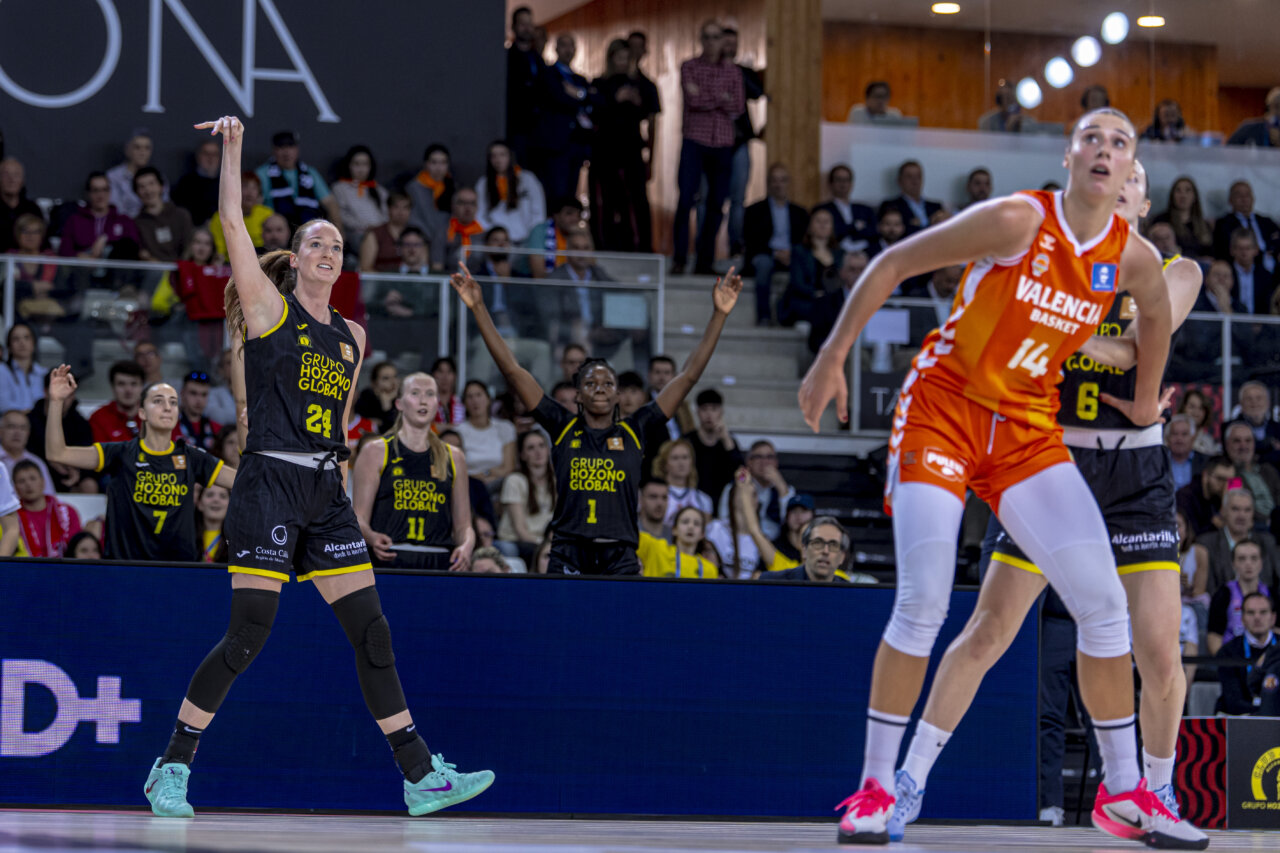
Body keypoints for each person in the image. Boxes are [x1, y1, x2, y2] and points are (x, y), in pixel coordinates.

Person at [799, 109, 1184, 845]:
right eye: (1092, 139)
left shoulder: (1131, 257)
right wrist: (831, 356)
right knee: (925, 602)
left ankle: (1126, 791)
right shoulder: (1016, 219)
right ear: (1069, 157)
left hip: (1026, 428)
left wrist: (1142, 400)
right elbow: (893, 263)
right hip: (944, 407)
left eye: (1120, 142)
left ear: (1133, 167)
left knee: (1105, 607)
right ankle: (876, 788)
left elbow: (1156, 322)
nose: (1105, 151)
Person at [142, 116, 492, 820]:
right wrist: (235, 149)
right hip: (268, 482)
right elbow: (232, 223)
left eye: (335, 244)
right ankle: (172, 764)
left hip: (322, 487)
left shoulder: (353, 336)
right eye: (316, 243)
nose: (329, 250)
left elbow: (329, 419)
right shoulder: (269, 307)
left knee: (372, 629)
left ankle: (419, 774)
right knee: (249, 632)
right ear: (295, 257)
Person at [455, 258, 739, 575]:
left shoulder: (637, 428)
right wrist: (478, 307)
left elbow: (687, 376)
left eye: (607, 383)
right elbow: (512, 368)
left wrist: (719, 314)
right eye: (590, 383)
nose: (600, 388)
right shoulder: (561, 424)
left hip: (620, 554)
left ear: (617, 395)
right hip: (568, 551)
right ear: (578, 395)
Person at [46, 366, 233, 562]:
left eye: (173, 402)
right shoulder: (120, 453)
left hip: (178, 571)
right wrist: (57, 401)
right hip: (127, 569)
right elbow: (57, 453)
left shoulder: (192, 457)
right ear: (142, 412)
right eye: (158, 401)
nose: (167, 407)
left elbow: (242, 481)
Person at [353, 372, 474, 572]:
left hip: (439, 561)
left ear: (436, 403)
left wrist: (467, 545)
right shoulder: (375, 451)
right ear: (399, 403)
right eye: (415, 393)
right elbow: (358, 519)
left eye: (429, 394)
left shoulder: (454, 457)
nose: (423, 400)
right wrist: (372, 537)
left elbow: (464, 526)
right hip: (389, 559)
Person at [671, 19, 744, 276]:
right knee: (685, 200)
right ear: (701, 40)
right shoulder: (689, 66)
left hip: (723, 143)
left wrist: (707, 96)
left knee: (716, 205)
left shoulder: (734, 72)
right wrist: (720, 98)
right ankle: (679, 258)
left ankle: (704, 261)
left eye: (717, 37)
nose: (712, 42)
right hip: (694, 141)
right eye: (708, 37)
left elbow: (737, 108)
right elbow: (693, 99)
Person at [589, 39, 655, 253]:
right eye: (619, 58)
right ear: (611, 58)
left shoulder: (641, 85)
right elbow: (594, 113)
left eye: (627, 59)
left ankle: (642, 246)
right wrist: (615, 99)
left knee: (638, 198)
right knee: (609, 199)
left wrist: (636, 102)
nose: (623, 63)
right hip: (606, 150)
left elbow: (649, 115)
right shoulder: (599, 84)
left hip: (631, 148)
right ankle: (608, 245)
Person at [531, 33, 593, 203]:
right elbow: (558, 98)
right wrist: (582, 97)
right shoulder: (548, 74)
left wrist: (579, 94)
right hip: (555, 146)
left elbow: (594, 101)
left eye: (571, 46)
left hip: (576, 144)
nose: (568, 50)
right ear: (556, 49)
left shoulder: (579, 79)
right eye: (564, 45)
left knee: (570, 196)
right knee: (555, 195)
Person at [745, 163, 809, 326]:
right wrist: (776, 253)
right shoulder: (755, 210)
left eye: (782, 180)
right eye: (774, 180)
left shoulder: (800, 213)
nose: (778, 184)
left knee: (804, 264)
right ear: (768, 183)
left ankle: (792, 315)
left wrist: (791, 253)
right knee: (764, 264)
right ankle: (764, 316)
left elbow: (805, 240)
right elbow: (751, 241)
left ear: (788, 183)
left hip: (792, 255)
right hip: (765, 254)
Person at [1195, 487, 1280, 596]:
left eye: (1247, 510)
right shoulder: (1206, 544)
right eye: (1235, 509)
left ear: (1253, 513)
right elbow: (1208, 591)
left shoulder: (1268, 542)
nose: (1241, 515)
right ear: (1224, 512)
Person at [255, 130, 342, 231]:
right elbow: (254, 205)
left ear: (297, 149)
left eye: (290, 146)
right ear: (274, 150)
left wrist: (338, 231)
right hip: (276, 232)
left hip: (308, 230)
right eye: (281, 147)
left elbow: (330, 202)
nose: (286, 152)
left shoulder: (309, 173)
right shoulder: (262, 173)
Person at [716, 440, 793, 541]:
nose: (764, 462)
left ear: (776, 462)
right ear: (749, 462)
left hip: (777, 546)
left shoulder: (786, 490)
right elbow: (723, 520)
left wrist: (782, 488)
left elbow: (792, 525)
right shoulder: (733, 488)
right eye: (758, 457)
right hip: (742, 542)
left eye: (769, 457)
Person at [1215, 592, 1278, 714]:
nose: (1257, 617)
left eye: (1263, 612)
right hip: (1242, 718)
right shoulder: (1228, 651)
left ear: (1273, 618)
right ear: (1242, 618)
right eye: (1251, 612)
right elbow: (1233, 701)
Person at [779, 208, 843, 327]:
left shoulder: (840, 254)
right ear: (810, 225)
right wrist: (818, 294)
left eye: (826, 222)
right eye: (818, 221)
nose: (823, 225)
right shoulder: (799, 252)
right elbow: (798, 283)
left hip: (833, 303)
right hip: (807, 301)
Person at [497, 429, 555, 562]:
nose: (538, 452)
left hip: (545, 543)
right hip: (517, 541)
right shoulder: (515, 480)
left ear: (548, 450)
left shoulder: (557, 482)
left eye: (542, 445)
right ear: (522, 455)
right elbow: (520, 530)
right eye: (531, 448)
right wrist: (543, 545)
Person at [1207, 539, 1273, 654]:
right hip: (1233, 660)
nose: (1248, 564)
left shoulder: (1272, 594)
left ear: (1261, 563)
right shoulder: (1223, 594)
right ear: (1233, 564)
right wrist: (1225, 664)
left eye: (1254, 558)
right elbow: (1214, 637)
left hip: (1267, 661)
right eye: (1242, 559)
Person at [59, 172, 141, 261]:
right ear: (88, 193)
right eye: (95, 190)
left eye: (104, 189)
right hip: (83, 268)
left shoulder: (124, 220)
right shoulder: (75, 220)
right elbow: (64, 251)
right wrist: (80, 256)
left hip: (115, 270)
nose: (100, 195)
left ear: (110, 192)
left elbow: (134, 246)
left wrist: (106, 238)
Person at [475, 141, 543, 245]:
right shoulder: (483, 183)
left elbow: (538, 211)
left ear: (510, 156)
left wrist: (532, 236)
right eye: (493, 156)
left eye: (502, 154)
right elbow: (479, 214)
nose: (498, 160)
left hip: (526, 240)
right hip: (497, 243)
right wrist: (494, 236)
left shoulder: (528, 179)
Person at [11, 459, 81, 557]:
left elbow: (77, 548)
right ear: (15, 488)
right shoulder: (10, 517)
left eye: (33, 478)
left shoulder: (68, 512)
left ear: (43, 482)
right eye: (21, 481)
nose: (28, 484)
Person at [684, 388, 743, 502]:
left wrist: (726, 440)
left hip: (723, 502)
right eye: (704, 409)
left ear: (721, 412)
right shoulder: (688, 440)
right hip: (693, 501)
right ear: (697, 412)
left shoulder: (729, 441)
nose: (709, 415)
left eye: (714, 409)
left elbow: (741, 475)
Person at [455, 380, 516, 486]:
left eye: (479, 395)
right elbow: (457, 470)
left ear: (488, 399)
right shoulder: (459, 431)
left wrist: (487, 473)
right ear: (464, 403)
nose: (475, 401)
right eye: (470, 397)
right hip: (468, 485)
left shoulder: (505, 427)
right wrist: (478, 478)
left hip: (500, 484)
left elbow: (508, 467)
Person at [331, 145, 388, 252]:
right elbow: (341, 215)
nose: (361, 169)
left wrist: (379, 230)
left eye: (365, 164)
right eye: (356, 164)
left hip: (381, 234)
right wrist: (366, 227)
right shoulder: (339, 188)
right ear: (349, 165)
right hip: (356, 234)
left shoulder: (379, 190)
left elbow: (387, 215)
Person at [1211, 181, 1279, 271]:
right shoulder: (1223, 223)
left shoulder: (1266, 222)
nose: (1244, 199)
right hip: (1239, 269)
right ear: (1230, 200)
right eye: (1238, 195)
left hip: (1272, 267)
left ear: (1253, 198)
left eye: (1247, 195)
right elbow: (1223, 250)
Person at [637, 504, 718, 578]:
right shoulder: (656, 549)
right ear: (674, 529)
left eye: (696, 524)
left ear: (702, 534)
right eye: (685, 522)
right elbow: (630, 532)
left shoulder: (709, 569)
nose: (690, 527)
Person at [505, 6, 542, 167]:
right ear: (513, 27)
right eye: (522, 24)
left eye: (530, 24)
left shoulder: (538, 60)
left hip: (538, 131)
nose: (527, 28)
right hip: (515, 128)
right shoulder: (506, 58)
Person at [134, 167, 193, 262]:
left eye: (151, 184)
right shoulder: (136, 223)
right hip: (154, 274)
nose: (148, 190)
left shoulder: (182, 215)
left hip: (183, 272)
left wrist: (180, 270)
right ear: (136, 193)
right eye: (142, 186)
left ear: (161, 187)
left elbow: (189, 247)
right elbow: (143, 255)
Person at [1223, 421, 1280, 521]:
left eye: (1248, 440)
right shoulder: (1229, 473)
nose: (1243, 446)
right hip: (1253, 528)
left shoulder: (1268, 470)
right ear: (1227, 444)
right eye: (1237, 441)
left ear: (1254, 443)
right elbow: (1236, 505)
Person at [813, 165, 876, 252]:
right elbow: (832, 232)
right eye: (839, 180)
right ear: (830, 183)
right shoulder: (822, 209)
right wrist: (855, 226)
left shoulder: (865, 209)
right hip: (835, 252)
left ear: (851, 183)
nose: (843, 184)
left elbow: (873, 232)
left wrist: (845, 229)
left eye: (847, 180)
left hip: (865, 253)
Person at [651, 438, 713, 524]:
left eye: (685, 457)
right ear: (664, 464)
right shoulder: (653, 495)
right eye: (675, 458)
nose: (681, 463)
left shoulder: (703, 500)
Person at [1151, 177, 1213, 260]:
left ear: (1194, 196)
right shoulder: (1162, 221)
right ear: (1172, 196)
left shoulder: (1204, 225)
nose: (1183, 195)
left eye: (1188, 190)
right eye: (1178, 191)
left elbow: (1211, 254)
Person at [107, 130, 164, 218]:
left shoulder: (158, 177)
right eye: (137, 147)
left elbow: (164, 207)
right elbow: (115, 210)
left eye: (147, 148)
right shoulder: (113, 177)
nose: (142, 153)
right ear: (127, 150)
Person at [1177, 455, 1235, 537]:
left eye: (1230, 481)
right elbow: (1191, 536)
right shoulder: (1185, 497)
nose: (1225, 485)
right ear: (1205, 475)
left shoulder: (1219, 496)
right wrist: (1217, 520)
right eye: (1220, 479)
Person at [527, 196, 585, 278]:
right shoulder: (540, 231)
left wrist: (586, 235)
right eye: (569, 213)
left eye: (578, 215)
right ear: (556, 215)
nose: (575, 219)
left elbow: (590, 267)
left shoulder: (579, 235)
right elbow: (538, 274)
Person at [881, 161, 943, 236]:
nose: (915, 181)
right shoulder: (890, 205)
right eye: (909, 177)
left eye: (918, 177)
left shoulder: (936, 207)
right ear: (899, 181)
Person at [89, 361, 145, 443]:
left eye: (134, 384)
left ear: (142, 386)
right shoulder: (99, 418)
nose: (128, 390)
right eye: (121, 384)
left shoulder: (154, 416)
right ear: (112, 387)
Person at [0, 409, 53, 494]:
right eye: (11, 427)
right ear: (0, 431)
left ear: (28, 433)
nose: (17, 433)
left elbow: (48, 496)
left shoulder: (37, 462)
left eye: (23, 428)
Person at [172, 139, 222, 226]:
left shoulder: (226, 184)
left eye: (214, 154)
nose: (211, 158)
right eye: (206, 154)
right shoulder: (186, 183)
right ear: (198, 156)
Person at [0, 157, 44, 254]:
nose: (11, 180)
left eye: (16, 175)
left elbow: (44, 245)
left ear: (23, 180)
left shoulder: (33, 210)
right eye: (6, 174)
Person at [0, 321, 46, 413]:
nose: (22, 343)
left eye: (26, 338)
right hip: (10, 424)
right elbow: (4, 405)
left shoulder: (43, 373)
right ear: (9, 346)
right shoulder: (2, 370)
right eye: (16, 339)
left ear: (34, 343)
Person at [406, 144, 455, 222]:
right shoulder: (414, 188)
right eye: (434, 162)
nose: (438, 168)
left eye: (443, 162)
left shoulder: (452, 186)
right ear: (426, 164)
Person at [354, 362, 401, 434]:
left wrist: (387, 406)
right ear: (374, 383)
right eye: (386, 378)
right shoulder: (365, 399)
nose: (393, 382)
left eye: (395, 376)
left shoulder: (403, 401)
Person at [1179, 389, 1221, 455]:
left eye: (1201, 408)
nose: (1196, 412)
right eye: (1192, 407)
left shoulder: (1208, 442)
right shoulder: (1170, 435)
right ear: (1183, 408)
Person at [195, 482, 229, 563]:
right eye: (210, 495)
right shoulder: (186, 538)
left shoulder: (237, 542)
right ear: (199, 503)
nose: (216, 500)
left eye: (223, 496)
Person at [1166, 414, 1201, 491]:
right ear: (1167, 438)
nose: (1179, 439)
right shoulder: (1159, 461)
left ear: (1193, 438)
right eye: (1175, 434)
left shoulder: (1204, 462)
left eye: (1184, 434)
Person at [431, 357, 465, 427]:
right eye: (440, 372)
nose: (445, 377)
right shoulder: (426, 402)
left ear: (455, 376)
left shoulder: (463, 402)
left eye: (449, 372)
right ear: (433, 375)